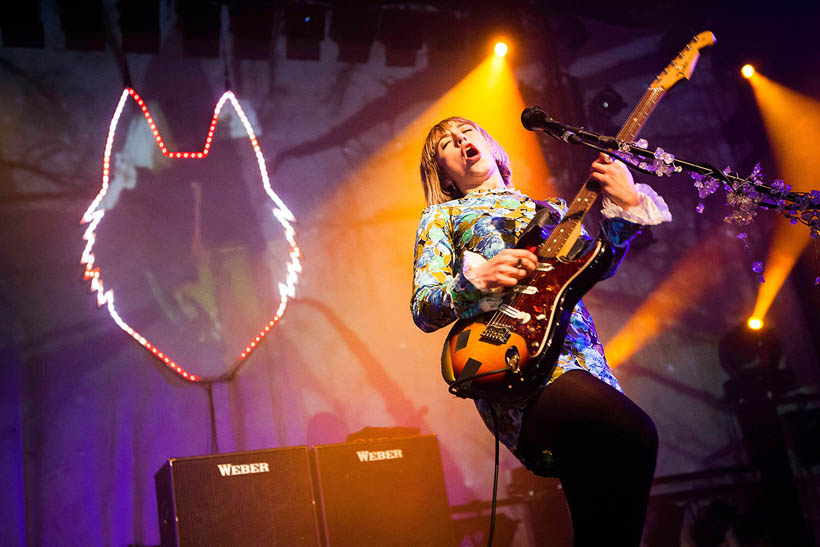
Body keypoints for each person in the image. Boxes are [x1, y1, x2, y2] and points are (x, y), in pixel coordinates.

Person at [411, 116, 672, 546]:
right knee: (635, 433)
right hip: (520, 371)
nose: (459, 141)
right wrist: (477, 281)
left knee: (598, 505)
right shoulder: (442, 217)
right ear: (445, 173)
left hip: (583, 361)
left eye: (467, 132)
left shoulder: (549, 209)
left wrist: (626, 205)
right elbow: (424, 308)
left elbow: (596, 265)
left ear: (492, 146)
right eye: (445, 145)